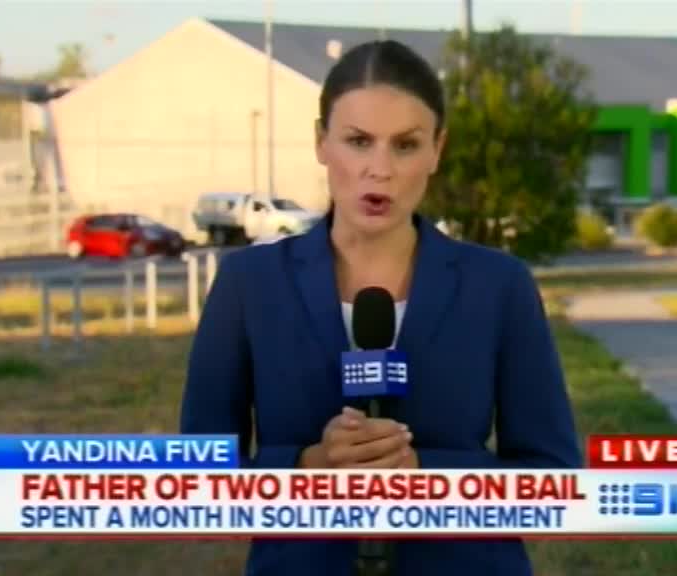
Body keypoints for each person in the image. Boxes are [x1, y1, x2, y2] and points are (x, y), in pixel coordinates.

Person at [181, 39, 582, 576]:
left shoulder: (499, 286)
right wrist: (306, 469)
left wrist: (425, 477)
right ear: (321, 142)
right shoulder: (248, 285)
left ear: (437, 149)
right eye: (358, 141)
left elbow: (554, 483)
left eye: (406, 145)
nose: (380, 169)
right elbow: (200, 487)